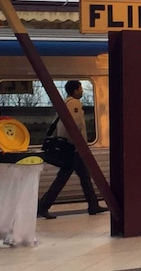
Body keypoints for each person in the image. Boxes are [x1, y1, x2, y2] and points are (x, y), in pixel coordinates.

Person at [38, 80, 107, 219]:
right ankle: (43, 206)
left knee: (83, 176)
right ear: (75, 91)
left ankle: (93, 204)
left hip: (72, 148)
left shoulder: (66, 103)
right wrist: (79, 146)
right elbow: (75, 127)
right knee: (65, 178)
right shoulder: (74, 104)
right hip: (73, 149)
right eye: (80, 89)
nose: (82, 91)